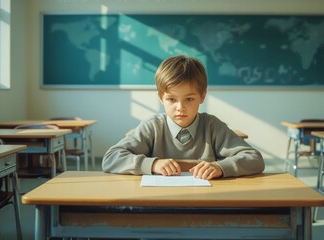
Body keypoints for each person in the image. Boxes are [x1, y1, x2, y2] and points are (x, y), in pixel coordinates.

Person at [102, 55, 264, 179]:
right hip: (158, 204)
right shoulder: (152, 127)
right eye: (172, 99)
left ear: (202, 96)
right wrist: (152, 164)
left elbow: (254, 158)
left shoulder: (212, 126)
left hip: (205, 203)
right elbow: (110, 158)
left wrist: (221, 167)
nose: (180, 107)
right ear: (161, 98)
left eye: (189, 99)